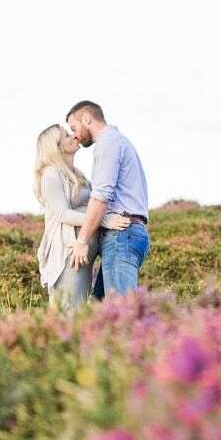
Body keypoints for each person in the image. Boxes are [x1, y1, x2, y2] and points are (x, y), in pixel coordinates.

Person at [33, 123, 129, 311]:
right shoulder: (51, 174)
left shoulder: (78, 175)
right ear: (57, 146)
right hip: (69, 253)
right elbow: (63, 214)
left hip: (83, 253)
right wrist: (104, 221)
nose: (74, 137)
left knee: (80, 309)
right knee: (68, 311)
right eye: (67, 135)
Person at [65, 100, 150, 297]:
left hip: (121, 235)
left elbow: (101, 196)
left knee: (120, 310)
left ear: (86, 119)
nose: (75, 136)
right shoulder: (118, 141)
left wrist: (82, 240)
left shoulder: (108, 143)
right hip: (126, 233)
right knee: (101, 309)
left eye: (74, 128)